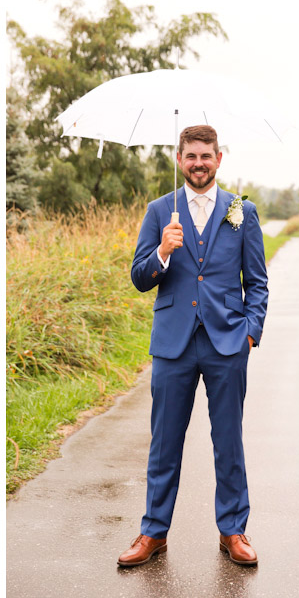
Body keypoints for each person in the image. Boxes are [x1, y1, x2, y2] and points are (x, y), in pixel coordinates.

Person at [120, 125, 269, 567]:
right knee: (164, 443)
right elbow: (139, 277)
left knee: (229, 442)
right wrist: (163, 252)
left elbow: (257, 282)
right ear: (179, 159)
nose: (199, 163)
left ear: (219, 159)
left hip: (227, 343)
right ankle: (153, 533)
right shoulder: (159, 210)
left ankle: (233, 530)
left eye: (206, 156)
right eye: (191, 156)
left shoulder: (243, 211)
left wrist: (249, 332)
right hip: (173, 345)